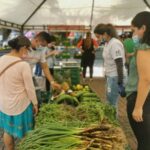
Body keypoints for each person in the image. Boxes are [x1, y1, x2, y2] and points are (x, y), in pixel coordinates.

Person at [0, 36, 38, 150]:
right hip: (21, 105)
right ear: (22, 48)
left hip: (4, 103)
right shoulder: (23, 65)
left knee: (7, 131)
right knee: (26, 133)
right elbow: (29, 88)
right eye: (27, 50)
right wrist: (35, 103)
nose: (26, 53)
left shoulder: (1, 59)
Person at [125, 11, 150, 150]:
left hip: (140, 98)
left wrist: (138, 107)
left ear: (144, 28)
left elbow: (146, 79)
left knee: (145, 142)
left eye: (134, 30)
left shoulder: (144, 49)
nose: (133, 34)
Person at [94, 24, 127, 114]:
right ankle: (112, 123)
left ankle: (114, 124)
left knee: (111, 103)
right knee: (109, 101)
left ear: (105, 34)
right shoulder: (107, 43)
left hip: (115, 76)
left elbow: (119, 63)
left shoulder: (114, 43)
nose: (97, 39)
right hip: (110, 76)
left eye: (98, 36)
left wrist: (120, 82)